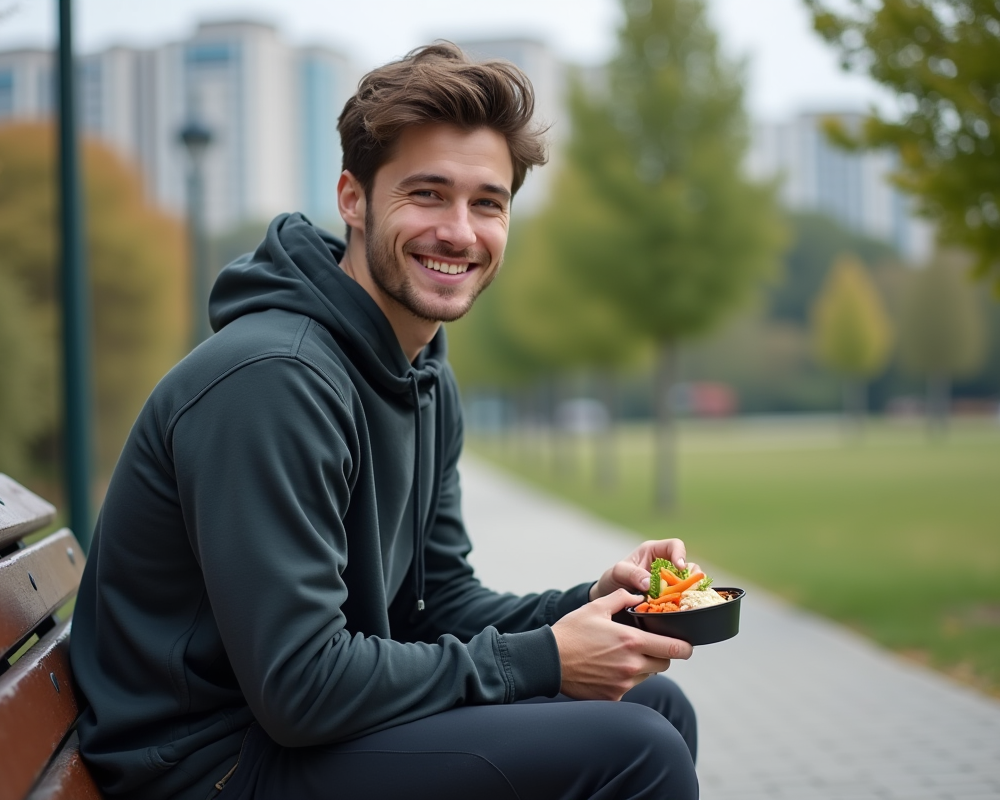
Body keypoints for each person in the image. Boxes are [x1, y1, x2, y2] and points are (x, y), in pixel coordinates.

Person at [70, 43, 700, 800]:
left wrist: (590, 608)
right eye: (427, 194)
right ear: (353, 198)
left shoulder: (422, 371)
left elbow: (438, 604)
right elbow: (301, 685)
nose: (460, 232)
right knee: (633, 750)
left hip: (288, 738)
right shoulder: (275, 381)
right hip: (206, 764)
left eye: (488, 203)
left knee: (653, 702)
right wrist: (547, 660)